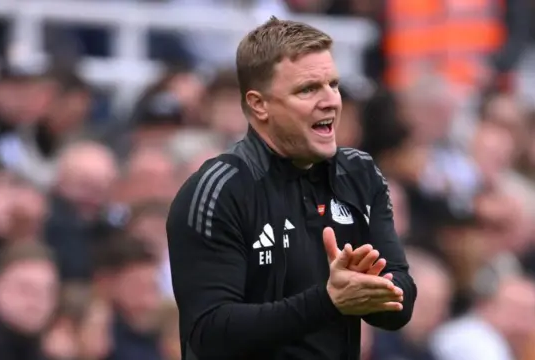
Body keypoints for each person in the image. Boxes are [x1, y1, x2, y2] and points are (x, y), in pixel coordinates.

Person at [166, 16, 417, 360]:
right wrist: (328, 301)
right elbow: (209, 333)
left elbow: (401, 306)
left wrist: (371, 287)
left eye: (333, 84)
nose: (331, 101)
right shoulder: (217, 191)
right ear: (259, 104)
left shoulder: (359, 174)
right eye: (308, 89)